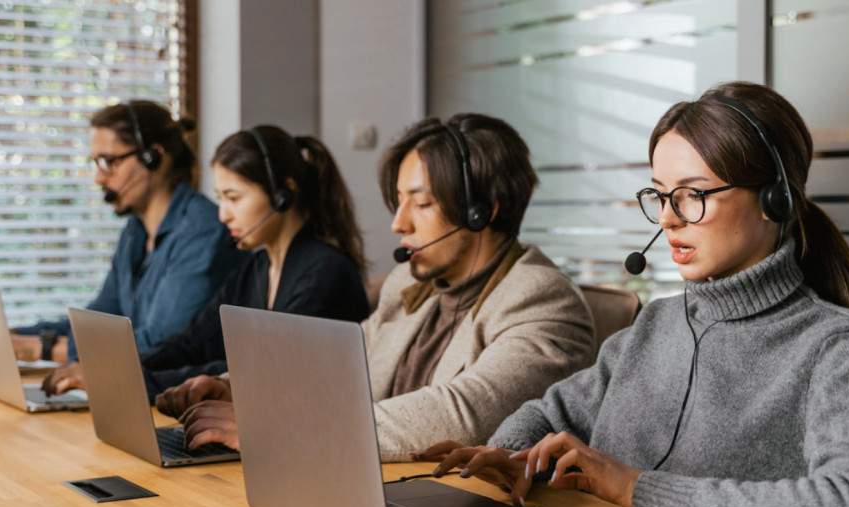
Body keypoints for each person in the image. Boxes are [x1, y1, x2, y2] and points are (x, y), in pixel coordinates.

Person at [414, 82, 849, 507]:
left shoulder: (838, 347)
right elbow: (552, 412)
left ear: (773, 198)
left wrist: (634, 488)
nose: (669, 220)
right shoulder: (656, 325)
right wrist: (515, 454)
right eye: (661, 195)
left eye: (693, 196)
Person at [156, 113, 597, 460]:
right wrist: (234, 386)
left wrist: (278, 430)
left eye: (421, 203)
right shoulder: (414, 285)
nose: (397, 223)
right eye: (400, 201)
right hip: (378, 487)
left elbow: (464, 414)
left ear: (483, 211)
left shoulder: (541, 299)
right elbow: (334, 360)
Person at [0, 100, 246, 391]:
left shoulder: (203, 231)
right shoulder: (135, 233)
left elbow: (158, 343)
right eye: (96, 162)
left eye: (109, 162)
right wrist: (12, 334)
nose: (98, 177)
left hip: (172, 399)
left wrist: (39, 348)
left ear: (153, 157)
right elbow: (100, 321)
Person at [55, 126, 370, 398]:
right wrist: (115, 370)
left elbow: (261, 373)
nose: (223, 214)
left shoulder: (324, 273)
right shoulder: (256, 269)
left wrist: (131, 380)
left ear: (282, 195)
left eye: (234, 198)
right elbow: (193, 342)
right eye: (220, 198)